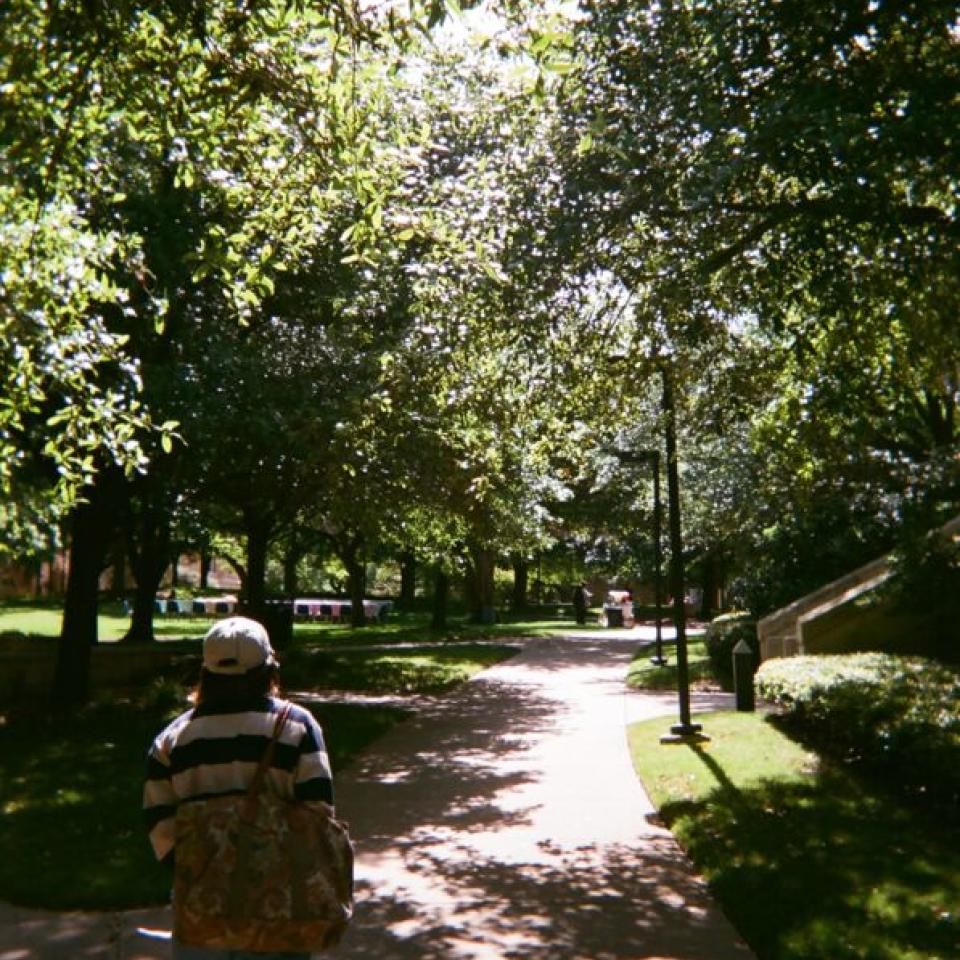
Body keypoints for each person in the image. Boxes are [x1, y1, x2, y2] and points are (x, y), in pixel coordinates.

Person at [143, 616, 335, 960]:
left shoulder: (172, 741)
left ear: (206, 672)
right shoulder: (298, 728)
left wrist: (205, 871)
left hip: (201, 908)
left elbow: (161, 827)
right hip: (279, 906)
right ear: (268, 669)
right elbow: (318, 815)